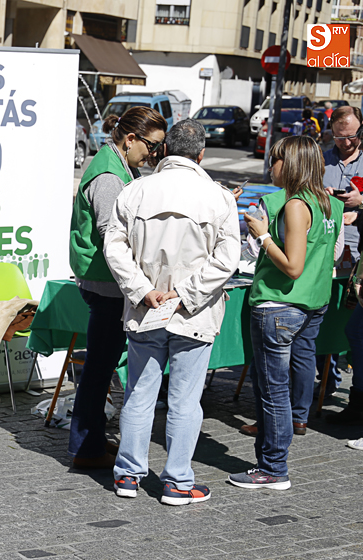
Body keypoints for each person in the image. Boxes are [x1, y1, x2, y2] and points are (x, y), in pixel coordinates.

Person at [104, 119, 240, 505]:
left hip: (147, 309)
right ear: (201, 155)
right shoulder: (218, 197)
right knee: (184, 400)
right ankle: (177, 481)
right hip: (192, 313)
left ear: (165, 150)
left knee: (139, 394)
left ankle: (127, 475)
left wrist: (143, 290)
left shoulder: (135, 191)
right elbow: (227, 259)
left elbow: (114, 247)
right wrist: (185, 294)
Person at [229, 136, 342, 490]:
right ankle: (273, 461)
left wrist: (263, 236)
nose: (270, 166)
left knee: (273, 391)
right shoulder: (330, 203)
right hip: (312, 303)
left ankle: (273, 467)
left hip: (280, 304)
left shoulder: (295, 205)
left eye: (275, 160)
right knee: (284, 383)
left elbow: (293, 266)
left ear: (291, 164)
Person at [67, 106, 167, 469]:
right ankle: (85, 448)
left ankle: (90, 442)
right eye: (152, 145)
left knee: (101, 366)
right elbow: (112, 235)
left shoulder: (120, 164)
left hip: (108, 282)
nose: (153, 154)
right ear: (130, 139)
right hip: (106, 283)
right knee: (98, 368)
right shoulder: (109, 174)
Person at [323, 105, 363, 418]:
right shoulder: (323, 160)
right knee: (332, 322)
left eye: (351, 137)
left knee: (354, 329)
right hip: (328, 252)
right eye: (339, 137)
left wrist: (360, 203)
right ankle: (327, 381)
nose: (345, 143)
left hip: (359, 256)